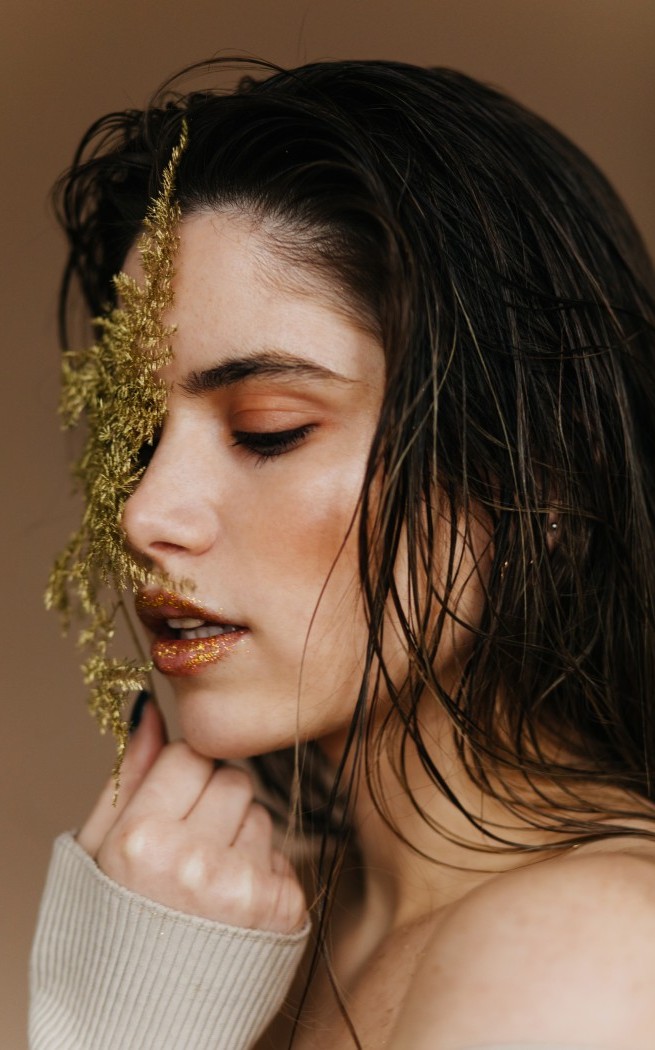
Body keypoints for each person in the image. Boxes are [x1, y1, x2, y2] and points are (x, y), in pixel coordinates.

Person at [30, 58, 655, 1050]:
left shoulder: (582, 948)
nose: (144, 513)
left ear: (540, 477)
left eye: (268, 430)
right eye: (137, 439)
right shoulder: (273, 923)